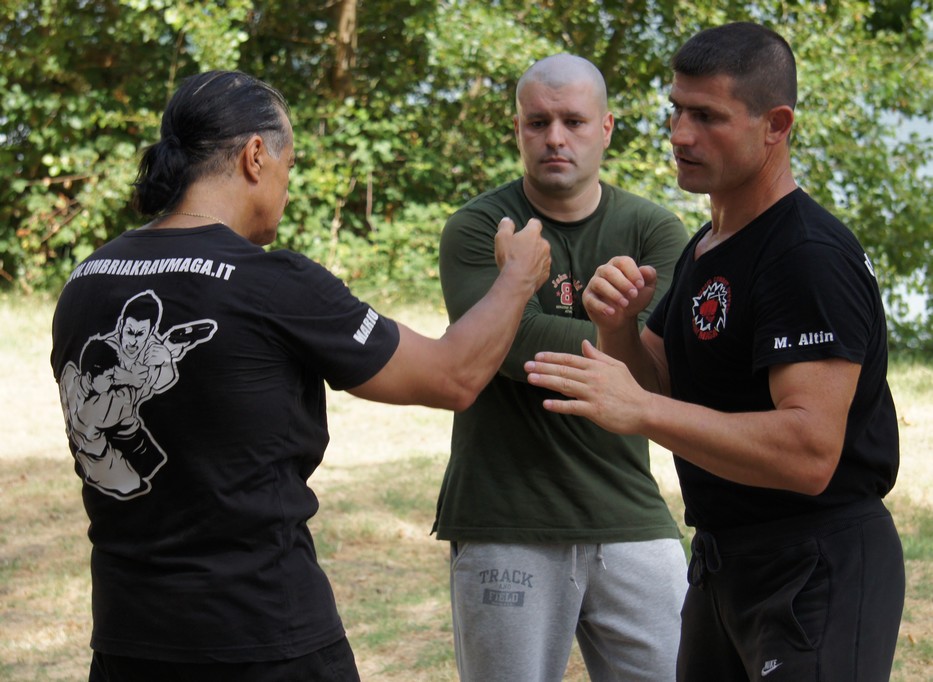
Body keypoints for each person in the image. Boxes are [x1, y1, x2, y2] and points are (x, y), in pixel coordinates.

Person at [50, 70, 551, 682]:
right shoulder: (271, 281)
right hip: (262, 638)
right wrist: (518, 278)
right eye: (290, 166)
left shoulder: (86, 281)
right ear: (255, 155)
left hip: (127, 640)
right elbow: (453, 377)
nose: (288, 188)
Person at [524, 22, 904, 681]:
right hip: (723, 563)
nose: (679, 134)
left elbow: (809, 453)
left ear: (775, 125)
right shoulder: (707, 245)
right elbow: (661, 383)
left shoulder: (805, 255)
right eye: (676, 110)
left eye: (706, 116)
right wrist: (618, 327)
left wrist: (641, 411)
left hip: (816, 562)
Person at [433, 53, 690, 681]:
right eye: (538, 122)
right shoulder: (478, 227)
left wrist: (636, 348)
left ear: (605, 128)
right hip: (505, 519)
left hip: (630, 515)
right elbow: (512, 346)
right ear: (518, 129)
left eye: (573, 121)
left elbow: (667, 361)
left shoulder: (655, 230)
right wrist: (621, 336)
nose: (555, 137)